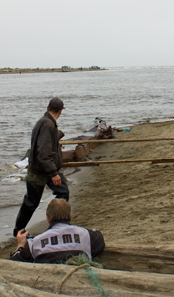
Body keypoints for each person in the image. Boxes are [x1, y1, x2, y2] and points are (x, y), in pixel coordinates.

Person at [14, 97, 69, 237]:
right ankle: (19, 231)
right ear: (61, 111)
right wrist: (53, 173)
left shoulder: (45, 122)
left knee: (62, 192)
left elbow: (44, 148)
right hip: (41, 171)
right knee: (31, 202)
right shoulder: (47, 125)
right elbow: (42, 153)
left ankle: (56, 225)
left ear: (47, 107)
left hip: (43, 168)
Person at [10, 199, 105, 263]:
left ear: (48, 218)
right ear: (71, 216)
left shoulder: (34, 243)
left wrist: (20, 245)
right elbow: (100, 243)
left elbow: (14, 263)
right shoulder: (86, 235)